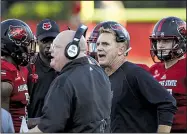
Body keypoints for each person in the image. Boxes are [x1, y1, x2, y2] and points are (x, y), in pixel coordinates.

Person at [94, 21, 177, 133]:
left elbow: (167, 103)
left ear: (121, 50)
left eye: (105, 44)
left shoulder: (134, 73)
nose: (99, 48)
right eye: (98, 44)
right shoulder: (105, 78)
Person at [28, 24, 112, 133]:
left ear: (72, 50)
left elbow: (47, 129)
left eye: (56, 47)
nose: (51, 50)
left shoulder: (64, 81)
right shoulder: (99, 71)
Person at [149, 16, 186, 133]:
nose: (160, 45)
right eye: (158, 40)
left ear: (180, 42)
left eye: (166, 41)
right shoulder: (153, 70)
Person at [1, 19, 35, 132]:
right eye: (27, 45)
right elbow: (3, 122)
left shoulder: (21, 69)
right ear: (15, 45)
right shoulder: (5, 70)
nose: (30, 50)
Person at [27, 19, 59, 128]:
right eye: (45, 41)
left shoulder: (67, 66)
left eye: (53, 40)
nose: (50, 45)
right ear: (37, 42)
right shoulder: (28, 68)